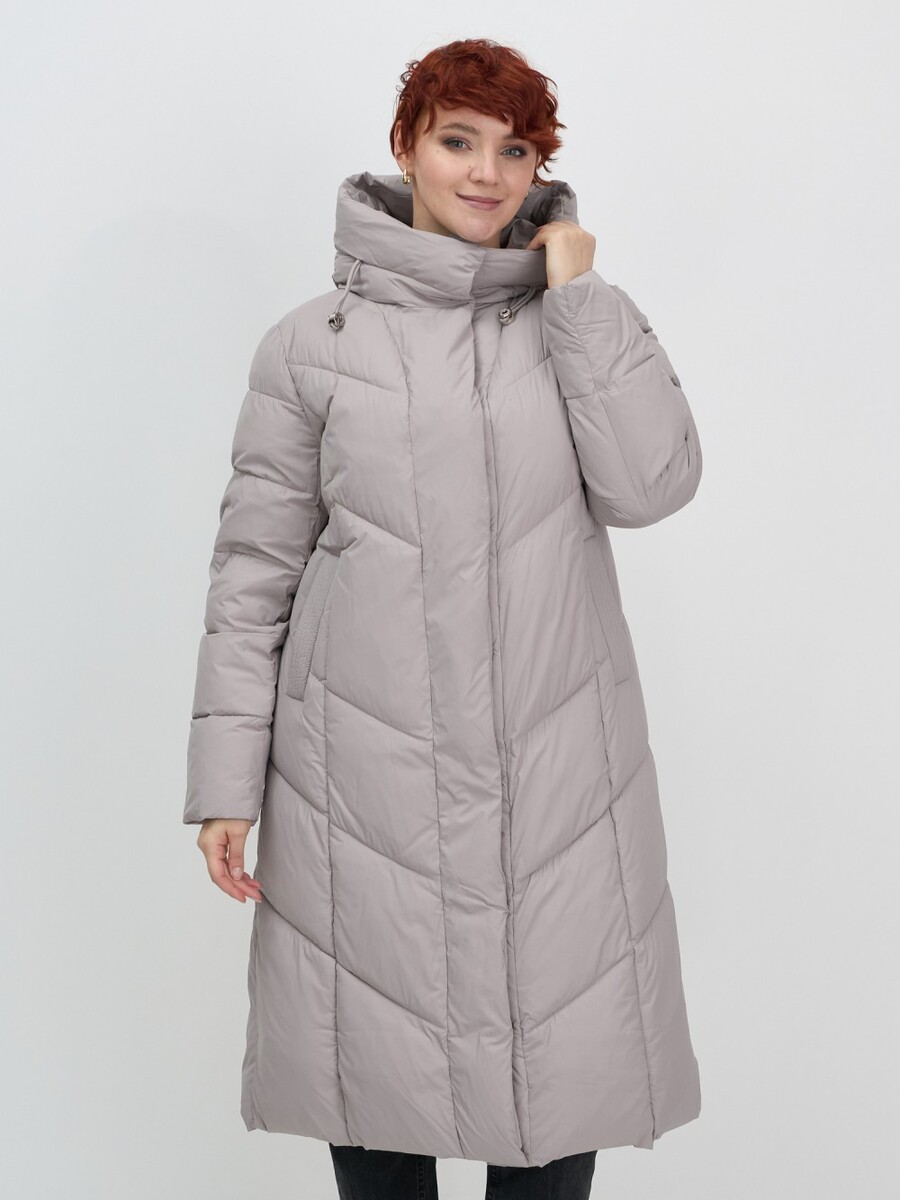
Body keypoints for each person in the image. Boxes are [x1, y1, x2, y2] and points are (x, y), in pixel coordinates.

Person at [183, 36, 703, 1200]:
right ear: (405, 146)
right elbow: (253, 573)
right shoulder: (311, 347)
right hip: (358, 783)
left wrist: (581, 300)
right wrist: (226, 784)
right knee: (373, 1085)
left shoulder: (576, 321)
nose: (485, 173)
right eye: (458, 141)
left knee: (559, 1089)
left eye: (515, 152)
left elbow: (652, 486)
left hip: (559, 783)